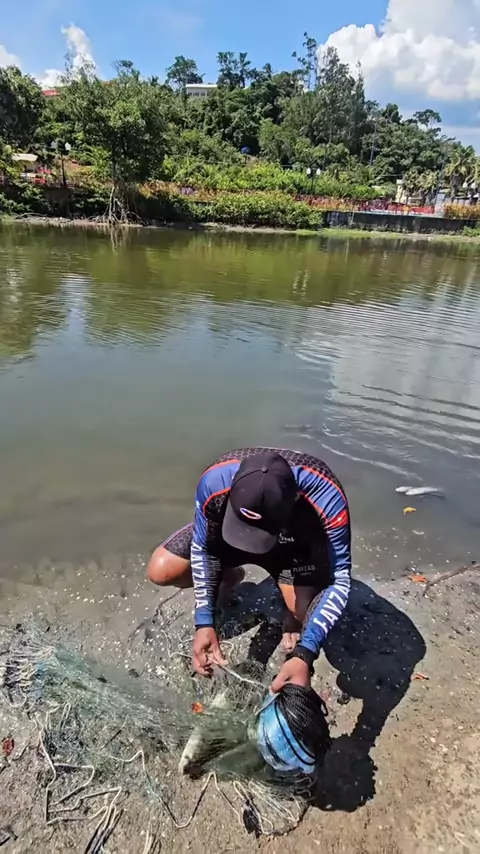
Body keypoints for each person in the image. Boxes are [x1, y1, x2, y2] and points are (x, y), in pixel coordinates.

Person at [147, 447, 351, 692]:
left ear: (295, 499)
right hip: (229, 540)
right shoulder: (215, 480)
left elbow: (339, 580)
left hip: (292, 551)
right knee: (162, 569)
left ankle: (289, 606)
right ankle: (228, 577)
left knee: (303, 615)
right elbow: (203, 548)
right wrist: (204, 621)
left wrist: (306, 652)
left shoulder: (325, 497)